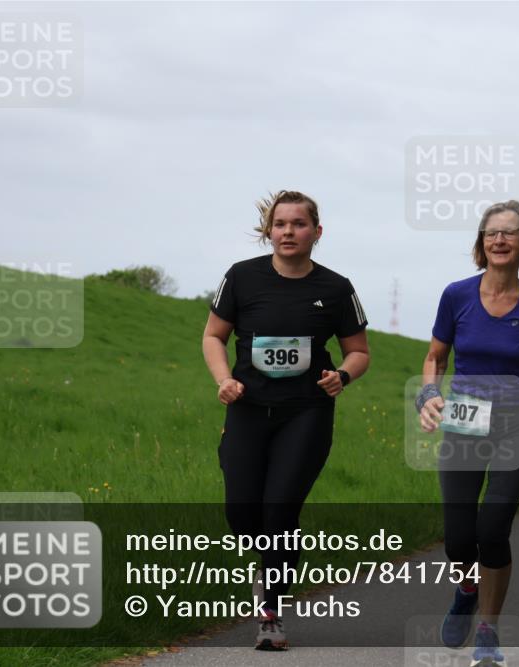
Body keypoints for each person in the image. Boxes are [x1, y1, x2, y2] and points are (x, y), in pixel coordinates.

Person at [203, 190, 370, 650]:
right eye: (280, 224)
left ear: (317, 232)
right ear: (269, 231)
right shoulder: (242, 277)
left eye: (298, 224)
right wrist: (224, 380)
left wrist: (342, 375)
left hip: (306, 413)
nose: (288, 232)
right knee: (242, 513)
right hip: (248, 409)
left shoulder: (336, 288)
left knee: (280, 510)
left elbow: (359, 351)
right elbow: (214, 336)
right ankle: (270, 564)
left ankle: (271, 613)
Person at [418, 200, 519, 667]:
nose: (500, 239)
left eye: (510, 232)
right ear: (481, 243)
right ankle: (466, 588)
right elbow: (435, 357)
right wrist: (428, 394)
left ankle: (487, 629)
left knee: (493, 529)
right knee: (459, 538)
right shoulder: (456, 295)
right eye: (491, 232)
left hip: (513, 422)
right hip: (464, 419)